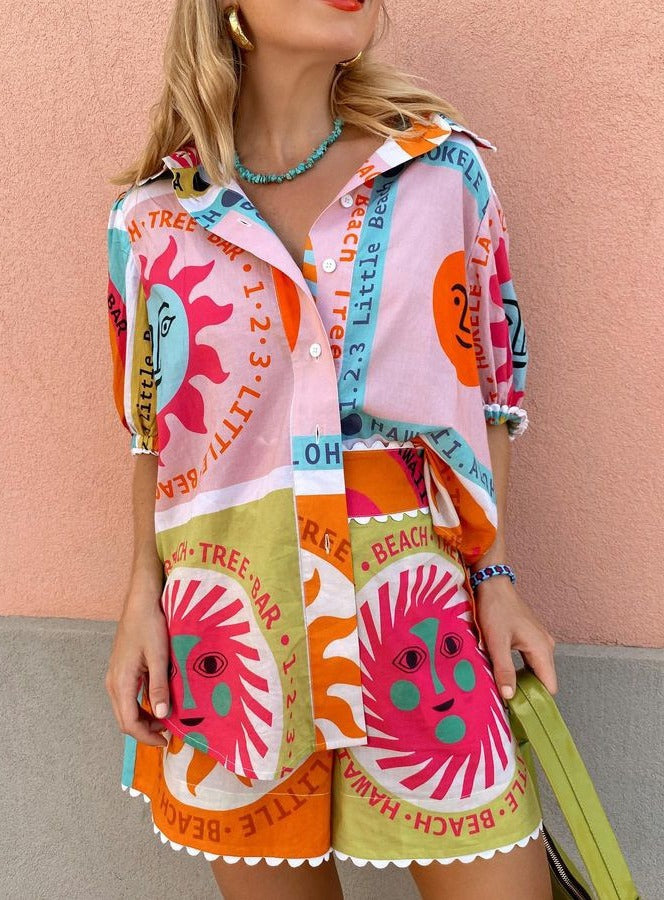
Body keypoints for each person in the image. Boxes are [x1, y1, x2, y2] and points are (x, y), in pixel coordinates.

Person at [104, 1, 558, 897]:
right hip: (232, 630)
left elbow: (490, 396)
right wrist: (137, 600)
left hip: (418, 619)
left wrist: (495, 575)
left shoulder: (440, 174)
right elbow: (151, 432)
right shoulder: (152, 217)